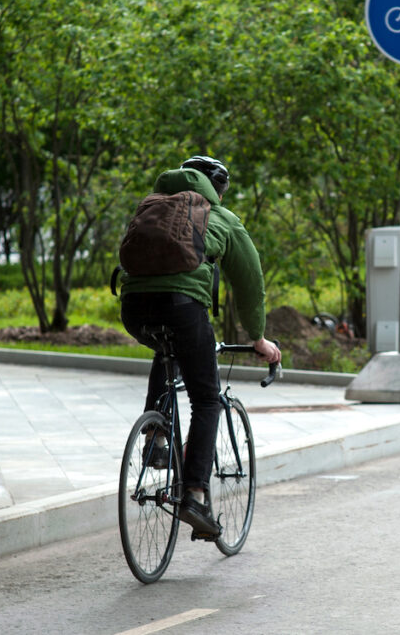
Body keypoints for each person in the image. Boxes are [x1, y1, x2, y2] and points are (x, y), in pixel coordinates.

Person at [119, 155, 280, 536]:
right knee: (206, 400)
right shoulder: (221, 218)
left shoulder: (150, 208)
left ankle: (156, 438)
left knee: (165, 349)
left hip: (133, 310)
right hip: (183, 309)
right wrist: (257, 337)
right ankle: (194, 494)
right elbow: (250, 281)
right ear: (218, 188)